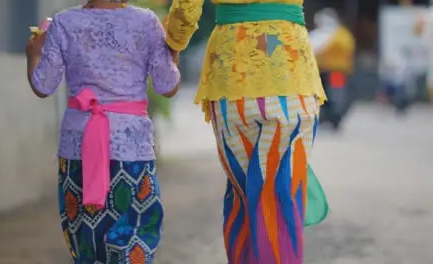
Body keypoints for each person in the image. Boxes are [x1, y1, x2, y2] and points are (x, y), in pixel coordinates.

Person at [163, 0, 327, 263]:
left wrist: (174, 42)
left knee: (244, 195)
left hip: (232, 75)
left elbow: (187, 7)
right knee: (281, 192)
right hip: (290, 69)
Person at [25, 0, 180, 263]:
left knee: (85, 236)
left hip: (78, 148)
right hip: (131, 149)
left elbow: (43, 85)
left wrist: (33, 55)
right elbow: (168, 84)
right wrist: (173, 52)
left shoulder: (64, 21)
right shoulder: (146, 21)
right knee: (134, 233)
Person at [309, 8, 355, 130]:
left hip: (336, 71)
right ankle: (326, 117)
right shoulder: (320, 34)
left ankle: (334, 117)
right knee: (322, 97)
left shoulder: (340, 35)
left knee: (337, 96)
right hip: (321, 71)